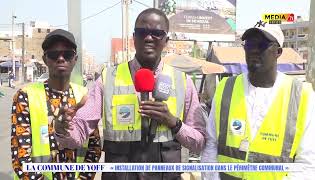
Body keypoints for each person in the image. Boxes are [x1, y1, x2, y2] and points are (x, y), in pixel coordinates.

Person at [55, 8, 206, 180]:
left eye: (156, 33)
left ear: (166, 40)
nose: (148, 38)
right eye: (142, 32)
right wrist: (63, 130)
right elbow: (77, 134)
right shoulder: (107, 79)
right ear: (134, 38)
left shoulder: (183, 82)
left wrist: (173, 122)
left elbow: (199, 142)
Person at [201, 21, 315, 179]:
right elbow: (211, 146)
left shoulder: (302, 96)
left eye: (262, 44)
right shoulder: (225, 89)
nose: (254, 50)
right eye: (249, 44)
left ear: (278, 52)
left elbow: (309, 163)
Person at [11, 29, 101, 180]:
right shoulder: (25, 96)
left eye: (67, 54)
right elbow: (20, 158)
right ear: (45, 59)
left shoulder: (85, 96)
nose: (60, 58)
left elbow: (94, 148)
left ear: (75, 59)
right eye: (53, 54)